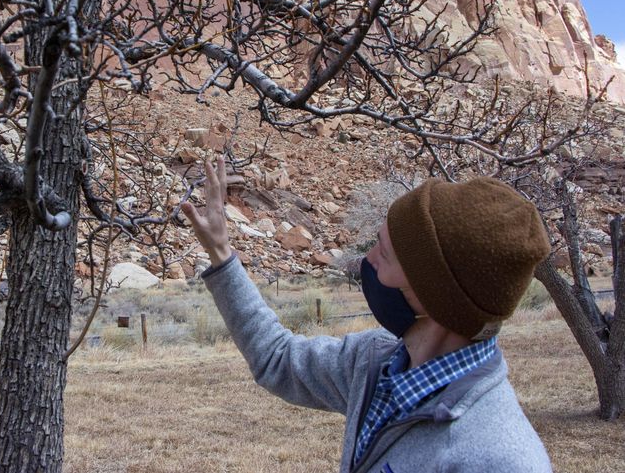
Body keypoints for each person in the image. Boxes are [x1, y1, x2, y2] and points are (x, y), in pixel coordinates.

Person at [181, 157, 553, 473]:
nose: (367, 260)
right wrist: (222, 255)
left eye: (385, 253)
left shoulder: (501, 459)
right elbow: (278, 359)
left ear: (434, 296)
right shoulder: (376, 363)